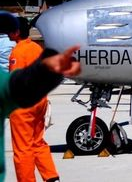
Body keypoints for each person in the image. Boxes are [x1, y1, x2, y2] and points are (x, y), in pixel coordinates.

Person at [0, 12, 80, 182]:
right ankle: (51, 176)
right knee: (38, 142)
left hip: (24, 106)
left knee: (22, 148)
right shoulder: (36, 48)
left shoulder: (17, 53)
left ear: (15, 32)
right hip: (40, 101)